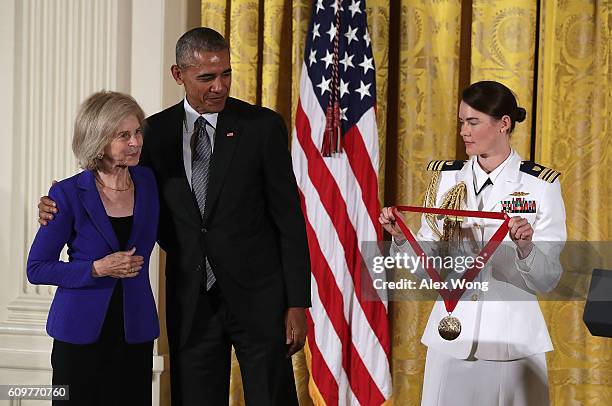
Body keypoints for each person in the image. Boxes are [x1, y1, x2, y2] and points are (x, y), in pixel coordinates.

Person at [38, 27, 310, 405]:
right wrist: (53, 204)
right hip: (190, 302)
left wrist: (298, 303)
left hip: (260, 300)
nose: (220, 86)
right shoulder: (154, 134)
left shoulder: (260, 127)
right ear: (178, 74)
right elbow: (110, 183)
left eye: (226, 74)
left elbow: (290, 221)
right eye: (207, 77)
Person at [380, 81, 566, 406]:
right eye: (461, 122)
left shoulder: (539, 186)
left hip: (512, 344)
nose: (464, 131)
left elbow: (549, 279)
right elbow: (428, 271)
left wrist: (526, 249)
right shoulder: (447, 179)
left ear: (504, 124)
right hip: (450, 340)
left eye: (473, 122)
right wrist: (401, 238)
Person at [27, 91, 159, 405]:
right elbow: (37, 268)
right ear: (98, 141)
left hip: (134, 331)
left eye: (137, 131)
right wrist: (98, 268)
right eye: (124, 135)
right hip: (79, 335)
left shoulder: (149, 181)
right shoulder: (67, 193)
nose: (136, 142)